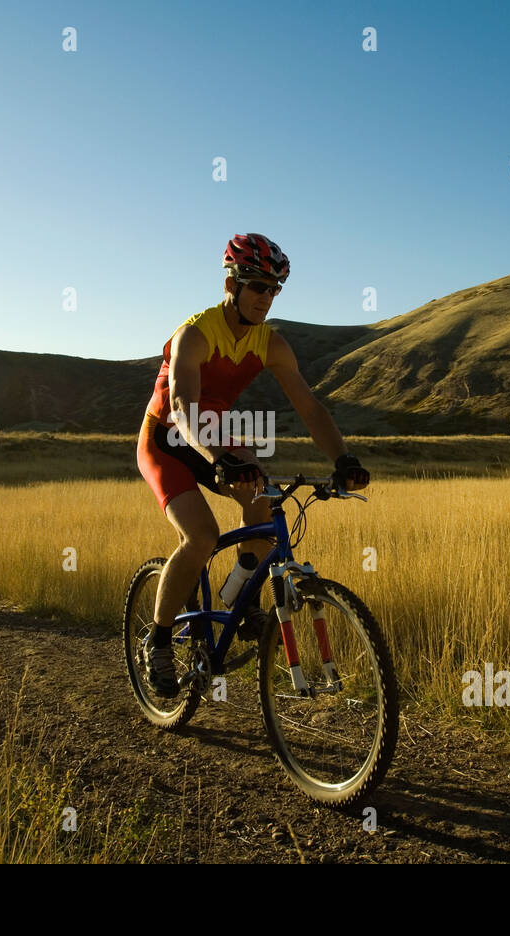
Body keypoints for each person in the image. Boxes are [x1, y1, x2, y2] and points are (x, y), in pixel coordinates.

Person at [135, 233, 370, 697]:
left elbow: (310, 409)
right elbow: (183, 405)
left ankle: (237, 600)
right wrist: (218, 459)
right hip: (167, 437)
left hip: (217, 435)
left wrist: (343, 458)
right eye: (259, 285)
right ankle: (158, 640)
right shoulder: (196, 335)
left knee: (263, 508)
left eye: (275, 289)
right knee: (200, 536)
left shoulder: (272, 344)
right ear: (232, 282)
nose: (267, 297)